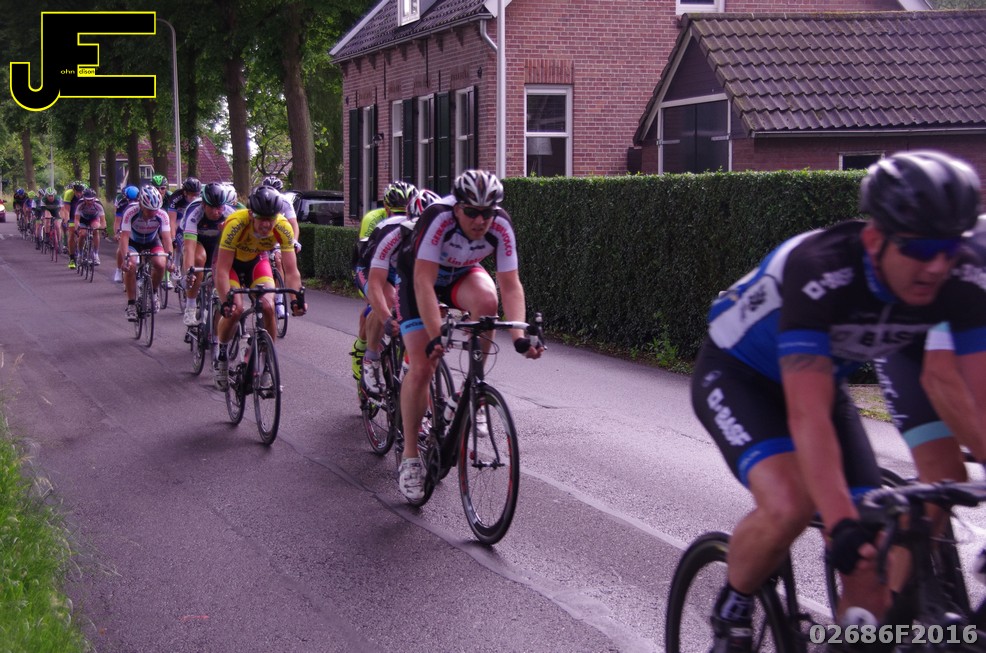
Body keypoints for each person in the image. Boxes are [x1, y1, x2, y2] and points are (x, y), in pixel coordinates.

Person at [688, 150, 985, 653]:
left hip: (823, 385)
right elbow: (807, 414)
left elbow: (979, 397)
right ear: (875, 238)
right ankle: (734, 606)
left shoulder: (959, 277)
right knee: (792, 506)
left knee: (870, 560)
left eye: (950, 247)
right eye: (921, 247)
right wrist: (841, 521)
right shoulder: (820, 269)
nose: (938, 265)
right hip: (740, 376)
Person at [394, 170, 544, 501]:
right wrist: (436, 336)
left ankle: (472, 391)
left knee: (488, 301)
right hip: (419, 281)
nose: (480, 220)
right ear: (457, 207)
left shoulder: (500, 225)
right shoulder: (438, 218)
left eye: (487, 212)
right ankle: (409, 457)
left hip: (460, 275)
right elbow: (423, 282)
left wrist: (519, 336)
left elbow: (510, 284)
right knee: (422, 365)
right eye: (472, 212)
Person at [212, 186, 307, 389]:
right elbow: (222, 270)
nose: (266, 224)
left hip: (256, 261)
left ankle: (266, 363)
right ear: (251, 214)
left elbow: (291, 271)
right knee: (235, 309)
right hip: (230, 264)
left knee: (268, 306)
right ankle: (222, 355)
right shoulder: (236, 223)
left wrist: (296, 300)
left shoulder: (283, 226)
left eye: (270, 218)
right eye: (261, 218)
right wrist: (226, 301)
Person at [356, 188, 440, 395]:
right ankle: (371, 358)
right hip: (372, 267)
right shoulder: (391, 232)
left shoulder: (441, 235)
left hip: (403, 268)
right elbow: (376, 283)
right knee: (387, 299)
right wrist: (386, 318)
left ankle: (408, 362)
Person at [351, 180, 416, 383]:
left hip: (397, 267)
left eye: (405, 211)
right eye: (396, 211)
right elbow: (368, 257)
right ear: (386, 208)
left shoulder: (417, 221)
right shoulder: (374, 220)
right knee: (379, 304)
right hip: (370, 265)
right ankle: (365, 352)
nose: (401, 216)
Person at [181, 182, 237, 326]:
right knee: (198, 259)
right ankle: (190, 307)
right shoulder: (194, 213)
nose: (216, 212)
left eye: (220, 207)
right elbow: (189, 249)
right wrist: (189, 273)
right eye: (212, 207)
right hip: (197, 241)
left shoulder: (230, 214)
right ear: (204, 205)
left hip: (216, 243)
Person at [118, 185, 173, 321]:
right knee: (130, 265)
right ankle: (131, 304)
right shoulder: (130, 211)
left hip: (152, 241)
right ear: (141, 205)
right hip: (133, 242)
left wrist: (170, 259)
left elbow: (166, 238)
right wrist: (125, 258)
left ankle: (153, 292)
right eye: (149, 210)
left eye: (155, 210)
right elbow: (124, 237)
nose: (152, 213)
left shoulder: (162, 215)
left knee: (160, 263)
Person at [70, 188, 105, 266]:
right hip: (83, 219)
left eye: (91, 200)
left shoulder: (98, 204)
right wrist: (77, 228)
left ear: (94, 198)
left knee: (96, 230)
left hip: (94, 218)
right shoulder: (80, 203)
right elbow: (76, 219)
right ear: (84, 198)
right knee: (82, 234)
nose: (89, 202)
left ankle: (96, 254)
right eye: (87, 200)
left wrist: (103, 228)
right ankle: (80, 254)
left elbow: (103, 220)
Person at [113, 186, 140, 283]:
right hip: (124, 224)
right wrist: (117, 233)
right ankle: (118, 270)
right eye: (130, 200)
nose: (132, 202)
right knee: (121, 246)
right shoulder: (122, 203)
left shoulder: (141, 202)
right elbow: (117, 221)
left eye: (135, 200)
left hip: (137, 225)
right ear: (126, 198)